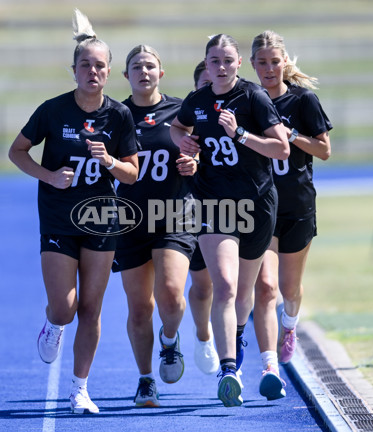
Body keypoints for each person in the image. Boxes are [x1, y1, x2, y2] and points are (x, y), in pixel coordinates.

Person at [8, 9, 139, 415]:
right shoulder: (53, 110)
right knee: (64, 308)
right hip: (58, 216)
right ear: (74, 70)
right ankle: (52, 325)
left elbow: (132, 174)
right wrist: (48, 176)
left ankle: (80, 389)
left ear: (109, 71)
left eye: (100, 66)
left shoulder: (119, 115)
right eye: (86, 65)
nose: (93, 71)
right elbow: (17, 151)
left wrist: (111, 162)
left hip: (101, 217)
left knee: (91, 308)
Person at [170, 34, 289, 407]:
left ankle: (239, 343)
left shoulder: (254, 97)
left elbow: (281, 147)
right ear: (205, 65)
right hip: (213, 203)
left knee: (246, 293)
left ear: (239, 64)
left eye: (227, 60)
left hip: (256, 203)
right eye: (213, 61)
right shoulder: (198, 100)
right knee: (224, 285)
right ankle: (228, 370)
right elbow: (178, 126)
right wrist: (183, 142)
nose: (220, 67)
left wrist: (239, 133)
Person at [244, 29, 332, 400]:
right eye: (261, 63)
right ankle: (268, 365)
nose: (268, 68)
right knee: (264, 287)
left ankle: (290, 323)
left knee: (288, 289)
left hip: (297, 205)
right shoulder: (247, 100)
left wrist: (290, 135)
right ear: (252, 65)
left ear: (285, 63)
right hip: (262, 207)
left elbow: (324, 150)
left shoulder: (303, 100)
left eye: (274, 61)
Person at [114, 44, 198, 408]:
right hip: (130, 219)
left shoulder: (182, 111)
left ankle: (170, 339)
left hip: (175, 214)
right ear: (126, 75)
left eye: (150, 66)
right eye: (136, 66)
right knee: (138, 308)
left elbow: (202, 153)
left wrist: (196, 165)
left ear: (161, 72)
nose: (144, 72)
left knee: (170, 294)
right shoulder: (114, 115)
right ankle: (146, 379)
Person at [187, 60, 219, 376]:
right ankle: (202, 333)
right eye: (204, 85)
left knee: (231, 285)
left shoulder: (238, 115)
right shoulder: (186, 119)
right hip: (194, 209)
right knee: (203, 286)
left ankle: (232, 355)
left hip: (236, 209)